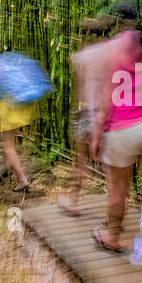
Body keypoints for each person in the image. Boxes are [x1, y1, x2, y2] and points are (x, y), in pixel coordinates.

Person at [89, 2, 142, 252]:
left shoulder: (111, 48)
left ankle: (113, 236)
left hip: (123, 127)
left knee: (118, 189)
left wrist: (96, 132)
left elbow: (107, 94)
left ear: (116, 21)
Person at [0, 45, 53, 193]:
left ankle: (22, 180)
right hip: (22, 104)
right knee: (9, 142)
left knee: (8, 146)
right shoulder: (3, 63)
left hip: (8, 107)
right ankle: (7, 169)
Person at [58, 14, 116, 216]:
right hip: (105, 113)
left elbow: (79, 86)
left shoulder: (81, 56)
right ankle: (114, 210)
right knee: (109, 164)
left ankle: (73, 201)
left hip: (84, 112)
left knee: (81, 161)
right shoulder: (111, 53)